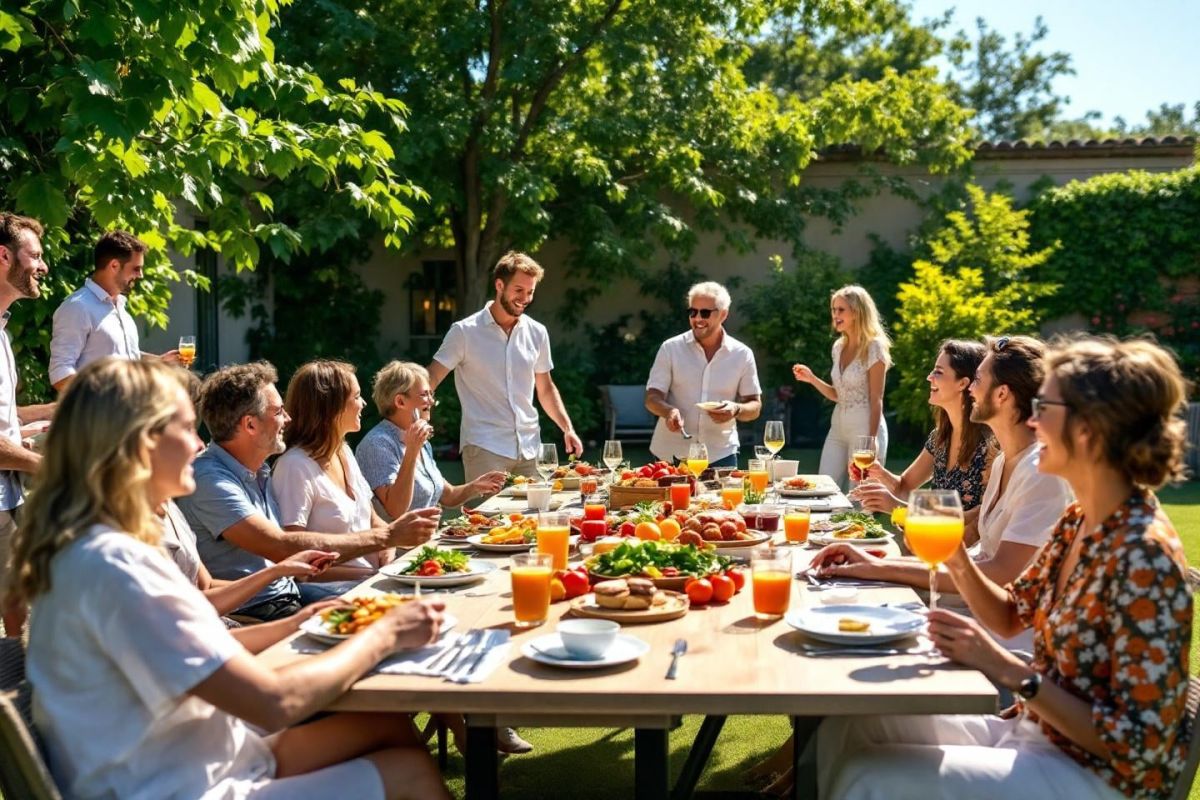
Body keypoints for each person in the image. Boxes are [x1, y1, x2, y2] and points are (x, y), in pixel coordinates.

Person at [10, 357, 451, 799]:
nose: (200, 445)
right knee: (406, 773)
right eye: (185, 429)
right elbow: (274, 702)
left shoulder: (102, 548)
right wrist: (385, 635)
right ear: (141, 444)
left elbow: (199, 640)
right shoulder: (114, 566)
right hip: (181, 786)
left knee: (385, 724)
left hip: (203, 759)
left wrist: (307, 618)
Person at [817, 336, 1193, 799]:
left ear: (1089, 430)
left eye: (1047, 407)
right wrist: (953, 552)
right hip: (1037, 734)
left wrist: (1012, 671)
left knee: (870, 777)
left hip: (1095, 775)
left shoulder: (1143, 557)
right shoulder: (1079, 521)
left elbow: (1142, 746)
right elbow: (1011, 614)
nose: (1034, 420)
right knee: (857, 723)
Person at [815, 335, 1072, 600]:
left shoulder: (1038, 473)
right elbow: (968, 549)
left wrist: (880, 566)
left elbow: (998, 574)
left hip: (986, 618)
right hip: (964, 596)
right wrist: (872, 563)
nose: (971, 388)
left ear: (1002, 394)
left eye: (978, 380)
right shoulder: (1003, 463)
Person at [177, 361, 438, 621]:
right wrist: (388, 536)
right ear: (250, 425)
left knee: (416, 603)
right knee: (397, 616)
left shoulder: (259, 471)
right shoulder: (212, 479)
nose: (287, 418)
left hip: (287, 597)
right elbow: (282, 547)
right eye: (279, 411)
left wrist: (386, 546)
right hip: (256, 610)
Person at [428, 251, 582, 481]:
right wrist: (419, 416)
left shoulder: (537, 332)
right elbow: (430, 379)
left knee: (538, 516)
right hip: (485, 447)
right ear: (499, 285)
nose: (525, 298)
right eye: (518, 290)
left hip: (531, 448)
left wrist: (567, 428)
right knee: (486, 517)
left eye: (530, 292)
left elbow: (546, 388)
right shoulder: (464, 332)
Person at [274, 360, 395, 575]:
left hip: (370, 580)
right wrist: (370, 576)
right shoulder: (294, 467)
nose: (364, 403)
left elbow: (373, 520)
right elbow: (293, 563)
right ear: (330, 407)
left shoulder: (344, 452)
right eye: (356, 397)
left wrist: (388, 546)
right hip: (332, 592)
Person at [850, 339, 994, 513]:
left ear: (962, 383)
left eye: (938, 372)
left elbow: (981, 520)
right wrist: (879, 473)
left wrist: (896, 506)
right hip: (931, 539)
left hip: (961, 540)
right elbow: (904, 487)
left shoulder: (990, 445)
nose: (929, 377)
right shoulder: (940, 437)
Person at [357, 361, 506, 521]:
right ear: (400, 401)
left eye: (431, 394)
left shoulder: (421, 441)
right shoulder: (378, 444)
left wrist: (475, 486)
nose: (432, 401)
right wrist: (412, 451)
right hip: (400, 545)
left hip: (428, 539)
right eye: (424, 395)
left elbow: (448, 496)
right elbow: (395, 509)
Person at [0, 213, 55, 637]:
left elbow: (6, 417)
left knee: (21, 601)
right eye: (34, 255)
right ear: (4, 257)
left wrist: (57, 411)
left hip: (8, 493)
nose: (43, 266)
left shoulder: (2, 329)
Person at [644, 281, 762, 468]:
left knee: (725, 499)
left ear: (723, 314)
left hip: (720, 453)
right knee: (668, 499)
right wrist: (669, 411)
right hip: (671, 453)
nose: (697, 318)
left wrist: (735, 409)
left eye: (705, 313)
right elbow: (652, 397)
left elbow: (755, 406)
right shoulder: (670, 348)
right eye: (693, 312)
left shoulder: (742, 354)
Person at [48, 230, 179, 393]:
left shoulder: (119, 306)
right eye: (136, 269)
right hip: (97, 417)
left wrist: (160, 361)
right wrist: (101, 403)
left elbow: (123, 356)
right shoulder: (77, 307)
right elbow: (60, 373)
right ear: (114, 266)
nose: (140, 275)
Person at [792, 285, 891, 490]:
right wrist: (812, 379)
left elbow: (876, 398)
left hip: (864, 428)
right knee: (823, 487)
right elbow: (839, 395)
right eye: (833, 309)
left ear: (856, 312)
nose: (835, 315)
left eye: (841, 310)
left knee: (860, 496)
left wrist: (870, 440)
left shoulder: (874, 347)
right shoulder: (838, 347)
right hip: (838, 426)